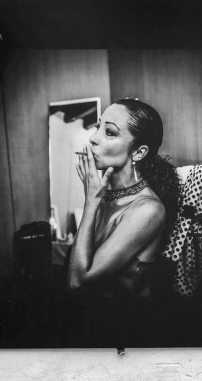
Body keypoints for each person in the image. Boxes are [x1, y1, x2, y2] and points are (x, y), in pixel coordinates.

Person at [67, 98, 179, 346]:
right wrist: (95, 200)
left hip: (127, 330)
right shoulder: (106, 195)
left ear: (139, 152)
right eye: (98, 127)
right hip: (95, 323)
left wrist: (90, 202)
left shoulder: (149, 209)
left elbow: (77, 281)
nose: (93, 138)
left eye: (109, 132)